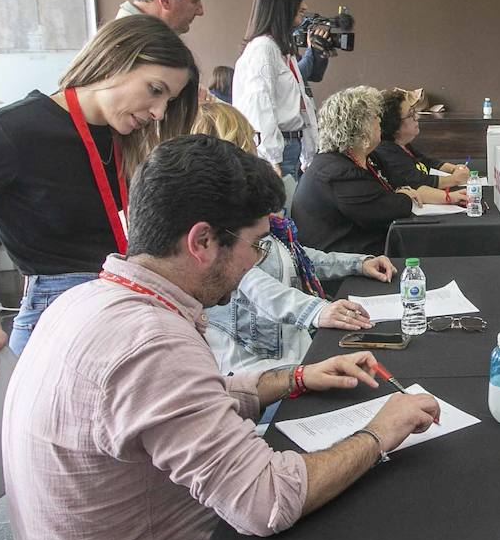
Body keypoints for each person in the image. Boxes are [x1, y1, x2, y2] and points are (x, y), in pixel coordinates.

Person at [1, 134, 439, 540]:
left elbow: (189, 403)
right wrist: (380, 430)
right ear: (202, 242)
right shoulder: (151, 343)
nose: (255, 261)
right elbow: (267, 502)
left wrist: (295, 378)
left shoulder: (89, 301)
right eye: (254, 245)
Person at [0, 16, 199, 374]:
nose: (159, 112)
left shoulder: (125, 139)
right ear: (114, 60)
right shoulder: (7, 132)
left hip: (127, 307)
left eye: (169, 101)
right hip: (58, 317)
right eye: (155, 90)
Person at [191, 102, 397, 373]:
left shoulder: (247, 209)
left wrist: (358, 263)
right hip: (258, 370)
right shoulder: (221, 227)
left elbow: (295, 256)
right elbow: (252, 282)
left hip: (294, 354)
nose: (257, 149)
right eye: (251, 140)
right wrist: (317, 311)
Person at [292, 86, 420, 255]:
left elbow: (394, 187)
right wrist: (404, 197)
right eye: (374, 117)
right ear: (359, 128)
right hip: (342, 265)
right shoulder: (337, 173)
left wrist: (399, 195)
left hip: (363, 250)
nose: (380, 121)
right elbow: (387, 209)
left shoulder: (365, 158)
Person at [233, 0, 319, 192]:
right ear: (282, 5)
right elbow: (260, 107)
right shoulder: (263, 49)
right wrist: (272, 159)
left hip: (290, 147)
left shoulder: (282, 51)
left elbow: (301, 104)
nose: (305, 6)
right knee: (281, 218)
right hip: (279, 152)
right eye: (299, 0)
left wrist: (309, 153)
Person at [372, 88, 472, 196]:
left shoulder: (403, 145)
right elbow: (417, 181)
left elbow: (426, 161)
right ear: (394, 125)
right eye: (410, 114)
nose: (417, 117)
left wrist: (454, 168)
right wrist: (454, 179)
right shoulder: (387, 152)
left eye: (414, 111)